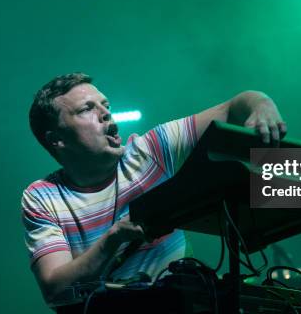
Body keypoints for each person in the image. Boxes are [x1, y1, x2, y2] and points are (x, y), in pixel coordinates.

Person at [21, 72, 286, 307]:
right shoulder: (43, 196)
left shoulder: (151, 151)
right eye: (86, 109)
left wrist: (262, 104)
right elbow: (54, 289)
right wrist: (113, 238)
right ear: (57, 140)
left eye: (105, 105)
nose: (105, 113)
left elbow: (233, 107)